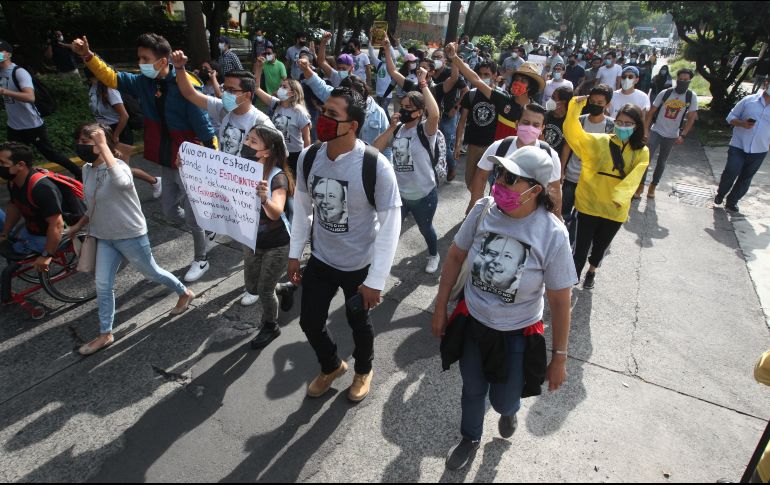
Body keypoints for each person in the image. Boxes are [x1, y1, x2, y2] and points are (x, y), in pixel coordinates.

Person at [432, 145, 575, 471]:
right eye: (500, 174)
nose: (500, 183)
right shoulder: (484, 209)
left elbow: (560, 299)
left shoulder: (552, 233)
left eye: (511, 178)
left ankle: (509, 410)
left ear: (536, 190)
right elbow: (455, 256)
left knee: (502, 399)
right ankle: (469, 437)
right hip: (473, 323)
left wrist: (560, 357)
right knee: (472, 389)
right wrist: (441, 307)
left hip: (516, 335)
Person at [71, 33, 217, 283]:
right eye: (139, 57)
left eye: (145, 58)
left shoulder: (184, 82)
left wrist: (208, 156)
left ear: (163, 60)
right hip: (165, 156)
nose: (140, 62)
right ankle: (205, 228)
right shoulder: (144, 82)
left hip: (189, 158)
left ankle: (201, 257)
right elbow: (112, 77)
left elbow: (202, 122)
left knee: (193, 217)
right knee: (171, 212)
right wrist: (87, 55)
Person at [289, 87, 402, 402]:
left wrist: (375, 280)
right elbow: (302, 209)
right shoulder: (310, 157)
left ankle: (363, 369)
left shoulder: (375, 166)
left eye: (332, 115)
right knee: (309, 321)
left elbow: (391, 225)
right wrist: (294, 253)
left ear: (353, 125)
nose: (322, 119)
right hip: (322, 259)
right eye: (322, 110)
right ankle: (331, 365)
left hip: (358, 265)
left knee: (359, 325)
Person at [67, 124, 194, 356]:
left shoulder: (121, 167)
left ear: (101, 145)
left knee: (152, 273)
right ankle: (106, 333)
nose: (80, 146)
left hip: (130, 234)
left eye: (87, 143)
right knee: (103, 285)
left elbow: (123, 183)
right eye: (80, 141)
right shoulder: (87, 169)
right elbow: (93, 204)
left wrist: (105, 148)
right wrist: (77, 226)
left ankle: (184, 292)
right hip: (104, 237)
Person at [563, 96, 650, 289]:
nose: (622, 126)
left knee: (601, 246)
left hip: (614, 209)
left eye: (628, 123)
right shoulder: (599, 141)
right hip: (589, 204)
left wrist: (619, 197)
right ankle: (570, 282)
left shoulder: (641, 151)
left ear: (637, 126)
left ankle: (592, 271)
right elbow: (573, 133)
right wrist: (574, 108)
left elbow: (635, 177)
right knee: (580, 248)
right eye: (619, 122)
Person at [374, 68, 442, 273]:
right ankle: (379, 262)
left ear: (419, 112)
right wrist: (390, 128)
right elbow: (375, 150)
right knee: (389, 230)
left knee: (425, 228)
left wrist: (423, 85)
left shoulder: (425, 130)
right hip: (400, 194)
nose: (403, 110)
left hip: (423, 193)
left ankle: (433, 254)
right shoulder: (398, 129)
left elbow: (435, 114)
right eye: (401, 106)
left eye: (408, 108)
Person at [0, 142, 85, 303]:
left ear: (20, 165)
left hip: (49, 235)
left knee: (13, 256)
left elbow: (57, 225)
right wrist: (4, 233)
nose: (0, 167)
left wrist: (47, 255)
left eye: (3, 163)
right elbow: (14, 206)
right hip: (32, 230)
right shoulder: (14, 182)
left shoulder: (41, 188)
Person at [236, 125, 295, 349]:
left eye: (253, 143)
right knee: (252, 286)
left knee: (263, 290)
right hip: (251, 241)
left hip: (276, 244)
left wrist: (263, 198)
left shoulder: (276, 177)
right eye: (247, 139)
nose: (246, 145)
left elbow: (275, 212)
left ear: (267, 152)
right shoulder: (241, 170)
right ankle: (284, 288)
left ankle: (270, 326)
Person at [0, 39, 83, 179]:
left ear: (8, 54)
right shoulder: (1, 73)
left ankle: (78, 172)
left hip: (32, 125)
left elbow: (30, 97)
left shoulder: (19, 72)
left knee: (50, 154)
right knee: (13, 161)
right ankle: (19, 190)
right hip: (13, 127)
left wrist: (4, 92)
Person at [468, 104, 563, 219]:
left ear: (542, 128)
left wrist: (557, 221)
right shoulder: (499, 147)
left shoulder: (550, 155)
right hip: (497, 213)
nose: (530, 128)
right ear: (517, 124)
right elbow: (480, 177)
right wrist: (476, 212)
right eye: (526, 123)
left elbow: (555, 191)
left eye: (536, 125)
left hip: (532, 220)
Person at [83, 67, 162, 197]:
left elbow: (124, 116)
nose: (91, 81)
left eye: (93, 78)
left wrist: (116, 135)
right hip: (104, 131)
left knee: (121, 169)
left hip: (119, 132)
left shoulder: (109, 90)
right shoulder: (93, 88)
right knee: (109, 167)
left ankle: (154, 181)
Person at [445, 42, 545, 142]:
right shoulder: (503, 99)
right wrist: (454, 57)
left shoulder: (536, 112)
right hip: (499, 154)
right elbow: (476, 80)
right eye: (516, 79)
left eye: (523, 81)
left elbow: (540, 140)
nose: (518, 83)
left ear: (531, 87)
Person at [298, 58, 391, 160]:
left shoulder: (378, 113)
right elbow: (318, 85)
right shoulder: (336, 99)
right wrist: (306, 69)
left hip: (365, 165)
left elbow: (387, 146)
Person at [561, 84, 615, 239]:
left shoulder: (611, 126)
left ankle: (572, 243)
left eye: (600, 103)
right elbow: (567, 147)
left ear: (607, 104)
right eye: (593, 101)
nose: (596, 105)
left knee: (581, 217)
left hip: (593, 182)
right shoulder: (579, 121)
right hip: (572, 176)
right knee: (563, 213)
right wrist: (562, 170)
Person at [638, 68, 698, 199]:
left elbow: (692, 117)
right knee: (646, 159)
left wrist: (683, 135)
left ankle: (653, 186)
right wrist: (646, 130)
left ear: (690, 81)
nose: (682, 82)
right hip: (656, 130)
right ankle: (641, 186)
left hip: (672, 134)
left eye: (686, 80)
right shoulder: (665, 93)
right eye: (680, 79)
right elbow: (651, 112)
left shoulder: (691, 96)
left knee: (662, 162)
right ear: (677, 79)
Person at [714, 80, 770, 213]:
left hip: (760, 149)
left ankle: (732, 202)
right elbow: (730, 117)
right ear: (767, 83)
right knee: (731, 171)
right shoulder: (749, 100)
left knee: (746, 178)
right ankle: (720, 194)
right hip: (738, 146)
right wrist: (741, 123)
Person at [251, 64, 311, 174]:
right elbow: (256, 88)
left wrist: (305, 159)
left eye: (284, 87)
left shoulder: (299, 112)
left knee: (292, 182)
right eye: (280, 86)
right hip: (277, 151)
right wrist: (259, 68)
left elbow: (307, 139)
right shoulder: (275, 104)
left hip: (294, 154)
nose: (280, 89)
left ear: (292, 93)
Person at [455, 60, 499, 191]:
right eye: (480, 74)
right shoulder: (471, 94)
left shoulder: (501, 96)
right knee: (471, 184)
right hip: (474, 146)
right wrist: (458, 144)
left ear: (495, 75)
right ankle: (476, 206)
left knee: (495, 186)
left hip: (494, 147)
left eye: (487, 74)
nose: (483, 77)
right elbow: (462, 120)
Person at [430, 48, 468, 181]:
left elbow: (465, 91)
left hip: (448, 115)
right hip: (431, 115)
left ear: (445, 60)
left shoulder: (450, 74)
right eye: (434, 57)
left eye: (439, 57)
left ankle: (451, 166)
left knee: (445, 144)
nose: (436, 60)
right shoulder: (429, 74)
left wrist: (456, 107)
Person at [368, 31, 405, 113]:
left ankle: (388, 125)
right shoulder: (379, 64)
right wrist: (371, 39)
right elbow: (371, 53)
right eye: (383, 54)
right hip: (378, 94)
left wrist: (388, 44)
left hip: (387, 95)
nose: (384, 55)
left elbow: (393, 56)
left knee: (383, 110)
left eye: (386, 54)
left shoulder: (392, 65)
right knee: (383, 112)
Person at [543, 86, 574, 174]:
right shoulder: (545, 115)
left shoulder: (569, 122)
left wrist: (561, 169)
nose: (550, 100)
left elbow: (566, 147)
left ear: (562, 102)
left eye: (553, 98)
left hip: (555, 165)